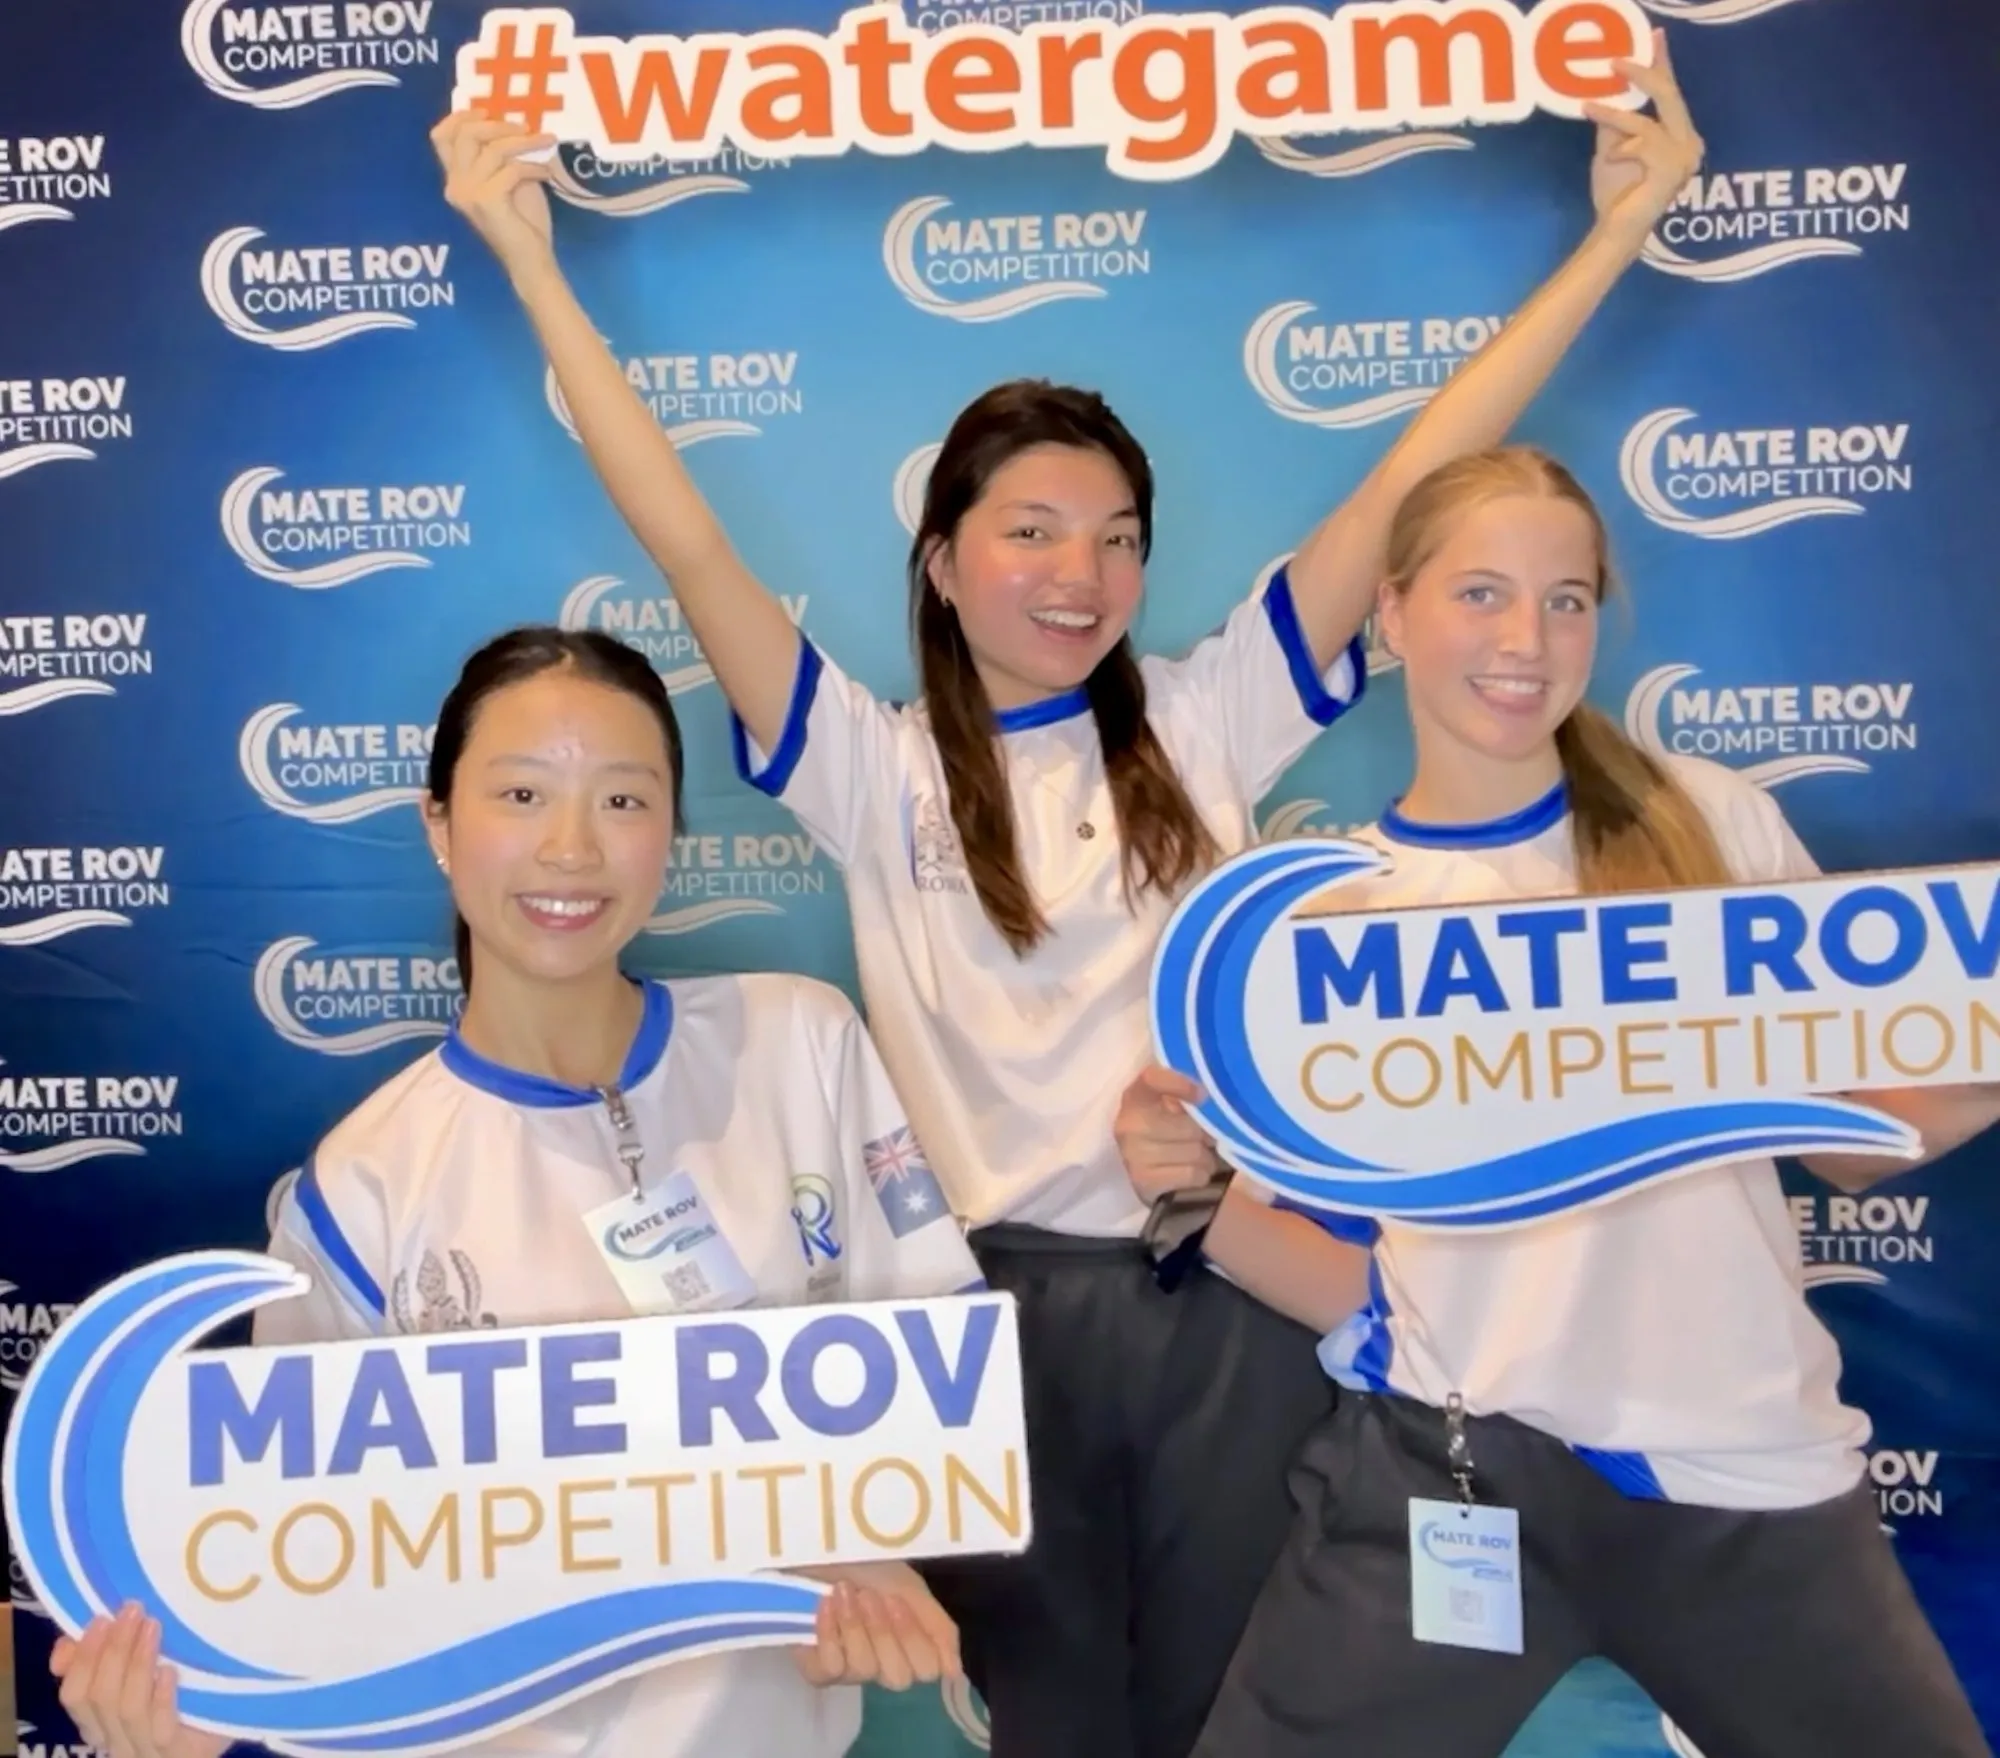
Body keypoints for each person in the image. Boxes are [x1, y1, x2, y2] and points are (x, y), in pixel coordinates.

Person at [428, 35, 1704, 1756]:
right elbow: (690, 544)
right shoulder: (864, 768)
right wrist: (527, 254)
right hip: (982, 1329)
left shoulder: (1206, 712)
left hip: (1218, 1301)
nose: (1079, 571)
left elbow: (1414, 475)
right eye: (1030, 529)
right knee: (1037, 1723)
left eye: (1116, 534)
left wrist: (1615, 236)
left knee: (1224, 1719)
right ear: (944, 561)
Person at [1117, 446, 2000, 1758]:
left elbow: (1855, 1144)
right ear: (1394, 614)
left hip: (1745, 1471)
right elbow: (1369, 1287)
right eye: (1480, 593)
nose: (1527, 638)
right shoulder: (1325, 920)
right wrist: (1180, 1184)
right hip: (1453, 1474)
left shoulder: (1707, 823)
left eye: (1567, 598)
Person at [49, 627, 978, 1758]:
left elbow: (925, 1410)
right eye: (522, 793)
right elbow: (323, 1587)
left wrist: (871, 1554)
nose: (571, 848)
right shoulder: (360, 1190)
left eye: (624, 802)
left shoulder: (802, 1044)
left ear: (674, 834)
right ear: (439, 824)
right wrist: (203, 1722)